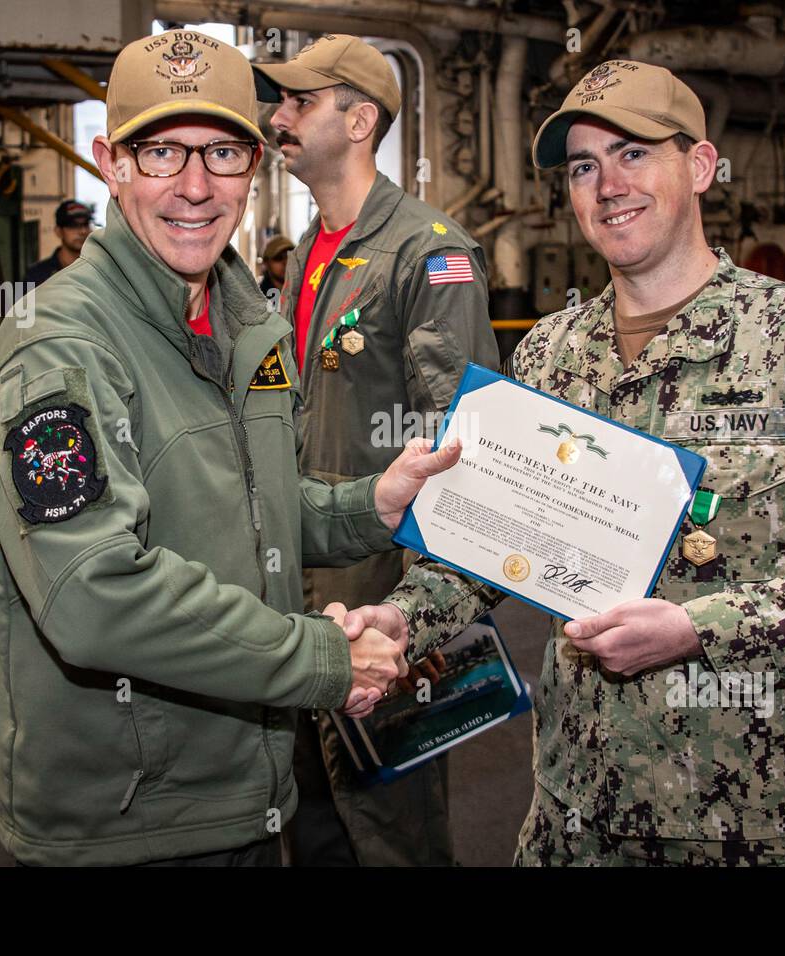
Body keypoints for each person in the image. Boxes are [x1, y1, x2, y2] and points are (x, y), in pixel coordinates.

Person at [340, 60, 785, 866]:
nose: (608, 186)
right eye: (584, 167)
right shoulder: (551, 354)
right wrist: (403, 618)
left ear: (699, 167)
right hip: (576, 808)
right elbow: (491, 542)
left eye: (634, 154)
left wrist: (701, 633)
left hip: (758, 818)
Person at [0, 30, 461, 867]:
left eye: (223, 152)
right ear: (110, 163)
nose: (195, 186)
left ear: (254, 165)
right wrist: (324, 658)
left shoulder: (244, 321)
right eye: (162, 153)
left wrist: (369, 508)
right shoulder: (61, 348)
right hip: (132, 825)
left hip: (248, 798)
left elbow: (244, 503)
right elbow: (96, 594)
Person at [254, 34, 499, 867]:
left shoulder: (428, 252)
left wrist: (420, 612)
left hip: (380, 595)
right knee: (308, 808)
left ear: (360, 120)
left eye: (299, 102)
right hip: (298, 573)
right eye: (277, 102)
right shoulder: (311, 256)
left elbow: (467, 447)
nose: (276, 117)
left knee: (389, 817)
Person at [23, 199, 94, 286]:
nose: (83, 231)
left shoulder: (97, 270)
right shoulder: (36, 275)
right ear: (58, 231)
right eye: (73, 225)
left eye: (86, 224)